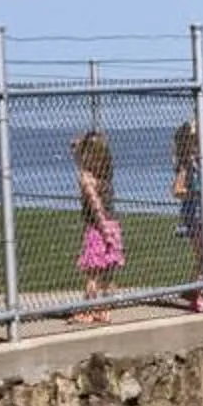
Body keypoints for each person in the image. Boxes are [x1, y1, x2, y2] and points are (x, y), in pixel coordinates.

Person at [72, 131, 123, 323]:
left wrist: (102, 227)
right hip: (113, 225)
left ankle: (88, 309)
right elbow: (79, 156)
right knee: (108, 273)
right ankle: (104, 310)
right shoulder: (106, 174)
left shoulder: (88, 178)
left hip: (98, 227)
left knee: (93, 274)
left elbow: (95, 205)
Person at [171, 120, 203, 310]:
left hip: (201, 214)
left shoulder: (197, 162)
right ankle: (199, 291)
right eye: (195, 140)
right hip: (192, 215)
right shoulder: (186, 165)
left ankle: (195, 288)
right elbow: (177, 190)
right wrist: (197, 193)